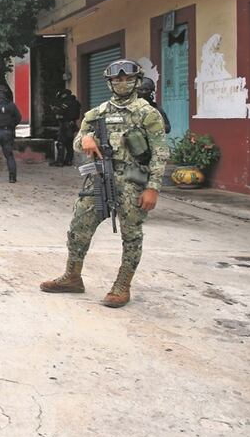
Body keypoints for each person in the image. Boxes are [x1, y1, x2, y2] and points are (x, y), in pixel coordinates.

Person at [40, 59, 170, 308]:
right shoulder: (97, 113)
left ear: (136, 81)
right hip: (100, 177)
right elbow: (78, 141)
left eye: (127, 79)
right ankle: (72, 277)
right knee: (79, 227)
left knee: (131, 234)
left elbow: (160, 152)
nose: (122, 83)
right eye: (117, 79)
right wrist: (86, 139)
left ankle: (122, 286)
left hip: (133, 179)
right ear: (109, 83)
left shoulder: (147, 113)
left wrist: (153, 187)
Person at [50, 88, 81, 167]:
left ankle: (59, 162)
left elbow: (61, 111)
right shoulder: (76, 103)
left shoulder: (66, 103)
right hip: (72, 124)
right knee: (69, 144)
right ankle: (68, 161)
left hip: (65, 124)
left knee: (60, 142)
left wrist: (54, 109)